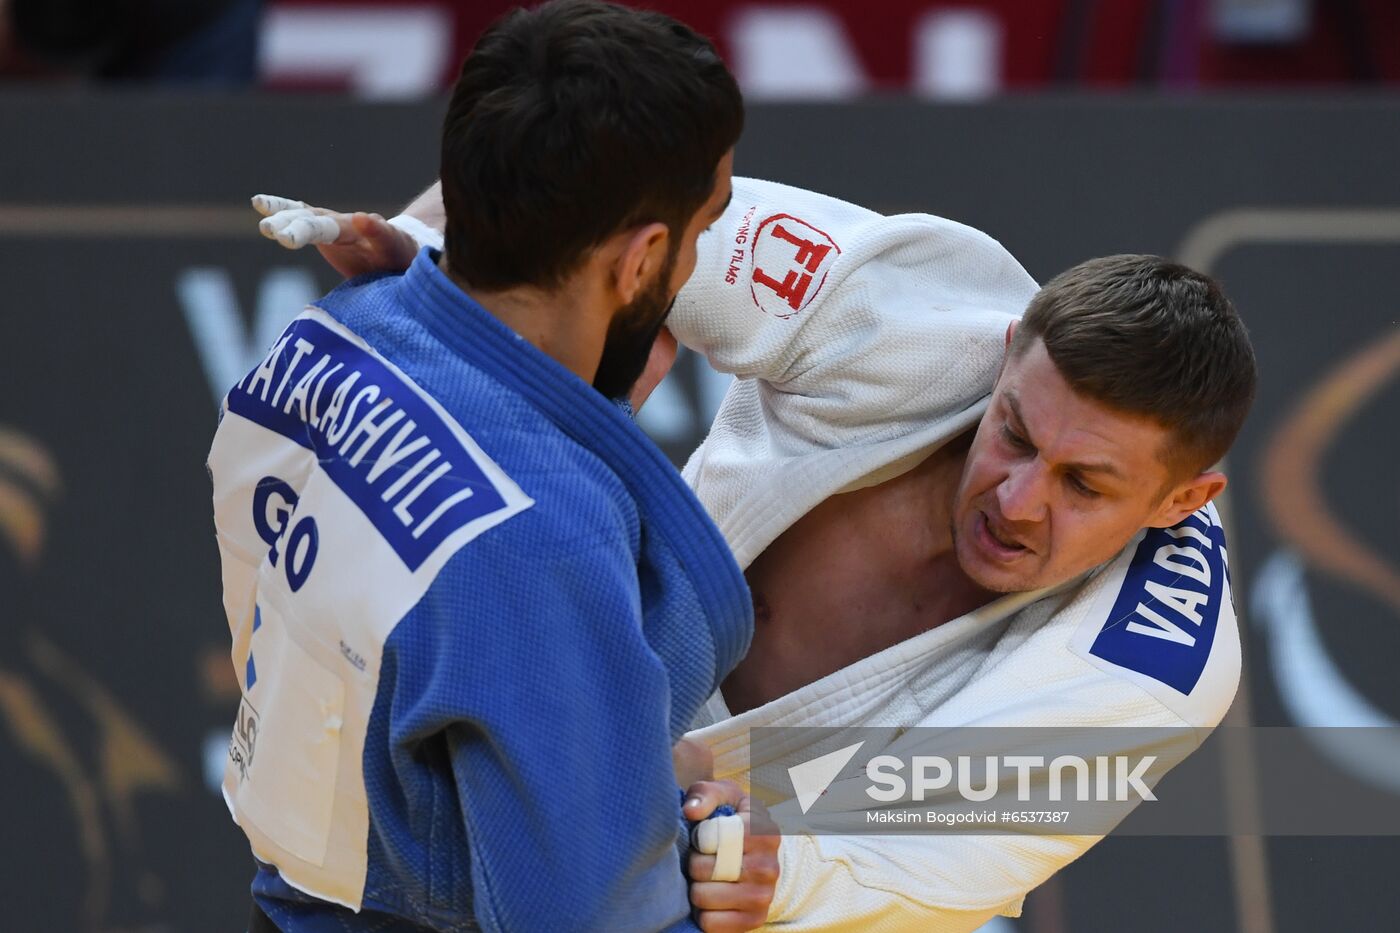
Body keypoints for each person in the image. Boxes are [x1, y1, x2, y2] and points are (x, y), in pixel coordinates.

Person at [260, 122, 1255, 933]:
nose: (1017, 498)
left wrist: (788, 875)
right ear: (1004, 356)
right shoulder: (913, 310)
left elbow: (946, 858)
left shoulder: (1150, 660)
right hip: (589, 724)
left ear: (1181, 503)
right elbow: (619, 207)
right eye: (1013, 435)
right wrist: (445, 267)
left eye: (1083, 484)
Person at [211, 3, 781, 931]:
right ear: (640, 260)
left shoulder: (330, 335)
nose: (695, 260)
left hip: (299, 892)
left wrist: (624, 781)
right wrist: (667, 855)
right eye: (701, 224)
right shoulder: (535, 541)